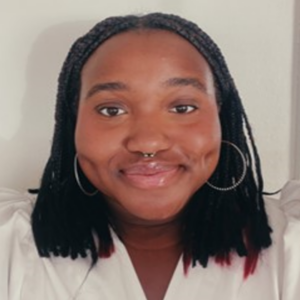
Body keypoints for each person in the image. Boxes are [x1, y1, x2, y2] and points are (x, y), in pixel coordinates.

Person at [1, 12, 299, 300]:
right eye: (111, 110)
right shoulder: (9, 242)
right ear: (73, 125)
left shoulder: (290, 243)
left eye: (182, 108)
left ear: (222, 119)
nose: (148, 142)